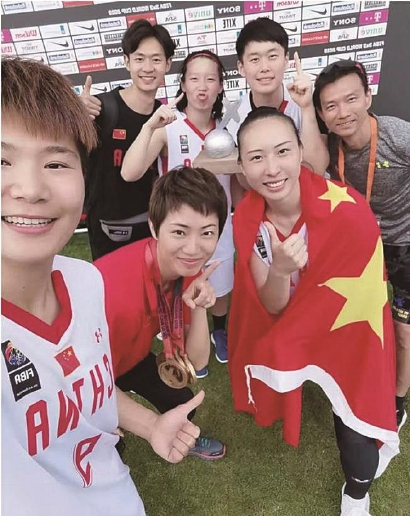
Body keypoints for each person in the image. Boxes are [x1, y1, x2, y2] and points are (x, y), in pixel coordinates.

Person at [1, 57, 205, 516]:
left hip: (118, 495)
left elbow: (80, 387)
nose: (30, 188)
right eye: (2, 160)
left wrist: (150, 425)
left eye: (56, 162)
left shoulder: (85, 280)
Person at [228, 107, 399, 516]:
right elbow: (271, 305)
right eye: (256, 157)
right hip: (296, 325)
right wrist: (280, 270)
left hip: (347, 330)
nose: (272, 168)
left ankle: (356, 493)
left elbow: (365, 302)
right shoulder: (248, 219)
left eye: (282, 151)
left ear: (301, 150)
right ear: (241, 167)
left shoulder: (349, 210)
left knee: (354, 427)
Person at [95, 165, 228, 460]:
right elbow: (78, 375)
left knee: (181, 400)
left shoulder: (188, 268)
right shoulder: (113, 287)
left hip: (131, 358)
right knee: (109, 448)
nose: (193, 248)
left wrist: (199, 309)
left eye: (207, 232)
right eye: (179, 232)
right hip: (89, 370)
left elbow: (196, 362)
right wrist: (131, 419)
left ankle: (180, 437)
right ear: (154, 228)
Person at [121, 50, 233, 376]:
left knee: (220, 282)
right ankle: (183, 340)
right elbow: (130, 172)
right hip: (178, 229)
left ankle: (220, 330)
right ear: (183, 84)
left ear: (220, 86)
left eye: (210, 79)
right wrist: (148, 128)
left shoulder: (230, 128)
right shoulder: (169, 126)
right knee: (177, 288)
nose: (202, 87)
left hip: (218, 227)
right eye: (194, 78)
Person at [313, 60, 410, 430]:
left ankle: (396, 401)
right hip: (360, 248)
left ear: (368, 97)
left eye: (351, 99)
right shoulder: (327, 145)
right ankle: (356, 383)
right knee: (353, 322)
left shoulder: (397, 135)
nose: (343, 112)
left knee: (403, 332)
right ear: (321, 114)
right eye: (331, 105)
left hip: (404, 246)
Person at [80, 20, 175, 260]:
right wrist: (75, 114)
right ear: (126, 61)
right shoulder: (101, 108)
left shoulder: (165, 117)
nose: (148, 68)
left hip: (152, 226)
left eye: (156, 59)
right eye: (139, 58)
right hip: (107, 229)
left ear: (168, 64)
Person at [227, 17, 329, 176]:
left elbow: (317, 169)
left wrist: (306, 108)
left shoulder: (308, 102)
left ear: (286, 60)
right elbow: (242, 178)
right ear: (241, 67)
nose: (264, 67)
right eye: (254, 59)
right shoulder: (233, 117)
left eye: (272, 56)